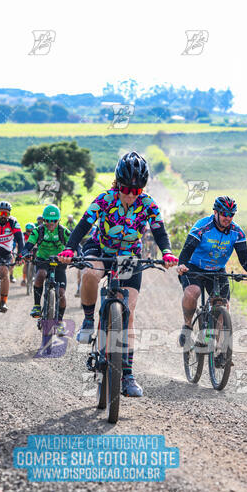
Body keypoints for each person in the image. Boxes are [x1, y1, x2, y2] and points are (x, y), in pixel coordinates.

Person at [58, 151, 178, 397]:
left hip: (128, 257)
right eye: (125, 188)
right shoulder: (104, 199)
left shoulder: (148, 204)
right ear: (117, 183)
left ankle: (128, 375)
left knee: (129, 314)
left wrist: (166, 252)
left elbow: (159, 231)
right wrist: (69, 248)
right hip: (100, 247)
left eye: (137, 190)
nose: (130, 194)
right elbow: (83, 225)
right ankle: (90, 320)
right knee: (91, 272)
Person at [176, 196, 247, 346]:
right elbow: (187, 249)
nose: (227, 218)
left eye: (231, 214)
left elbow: (244, 257)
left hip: (217, 270)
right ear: (215, 212)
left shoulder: (237, 232)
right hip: (193, 266)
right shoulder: (203, 226)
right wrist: (181, 264)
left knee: (222, 304)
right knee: (193, 292)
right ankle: (187, 326)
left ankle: (217, 346)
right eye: (224, 214)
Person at [22, 205, 71, 337]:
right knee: (40, 275)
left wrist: (79, 254)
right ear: (44, 220)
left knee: (61, 293)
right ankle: (37, 305)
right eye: (47, 220)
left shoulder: (63, 231)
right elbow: (29, 244)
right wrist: (25, 251)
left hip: (59, 263)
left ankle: (60, 322)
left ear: (58, 220)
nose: (50, 223)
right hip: (43, 260)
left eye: (54, 220)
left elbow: (74, 244)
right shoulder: (38, 231)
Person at [0, 201, 24, 312]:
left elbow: (20, 239)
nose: (3, 216)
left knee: (3, 272)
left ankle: (3, 301)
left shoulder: (13, 223)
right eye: (1, 213)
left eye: (6, 214)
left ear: (9, 214)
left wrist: (20, 255)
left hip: (5, 254)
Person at [20, 222, 36, 286]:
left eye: (30, 231)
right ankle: (24, 279)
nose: (29, 233)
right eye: (27, 231)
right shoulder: (23, 235)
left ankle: (35, 277)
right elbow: (20, 244)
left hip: (34, 252)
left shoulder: (36, 235)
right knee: (25, 264)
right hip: (26, 252)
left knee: (36, 264)